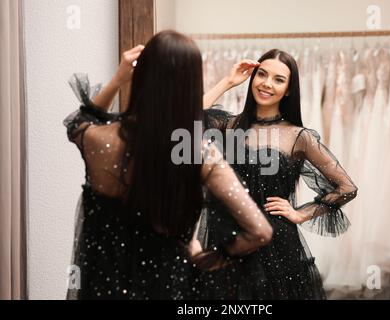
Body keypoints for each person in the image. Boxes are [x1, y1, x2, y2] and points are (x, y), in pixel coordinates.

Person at [64, 30, 272, 300]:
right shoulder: (198, 154)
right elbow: (260, 232)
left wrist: (119, 78)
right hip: (169, 288)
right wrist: (206, 257)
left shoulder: (96, 140)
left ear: (140, 78)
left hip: (102, 288)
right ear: (191, 86)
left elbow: (80, 121)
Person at [201, 49, 358, 299]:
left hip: (276, 245)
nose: (266, 83)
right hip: (229, 238)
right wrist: (228, 81)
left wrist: (300, 214)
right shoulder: (228, 126)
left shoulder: (299, 137)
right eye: (261, 74)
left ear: (288, 90)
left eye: (278, 79)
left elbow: (346, 188)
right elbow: (188, 119)